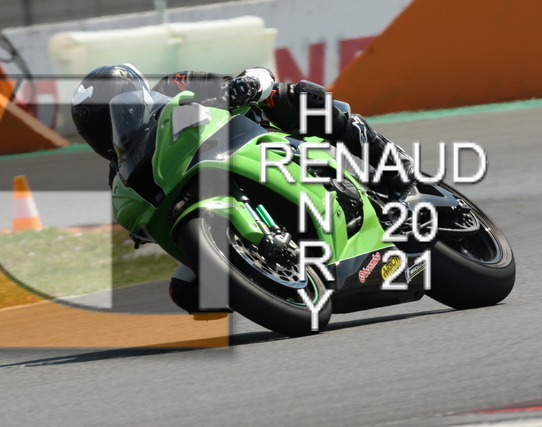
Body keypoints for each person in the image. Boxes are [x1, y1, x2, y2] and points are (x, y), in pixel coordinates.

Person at [71, 63, 415, 313]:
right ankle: (269, 285)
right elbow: (136, 215)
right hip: (207, 196)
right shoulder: (121, 174)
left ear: (135, 100)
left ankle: (387, 159)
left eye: (113, 117)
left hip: (262, 142)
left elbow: (257, 76)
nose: (107, 135)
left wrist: (245, 86)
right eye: (98, 133)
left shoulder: (175, 86)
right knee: (185, 291)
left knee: (290, 95)